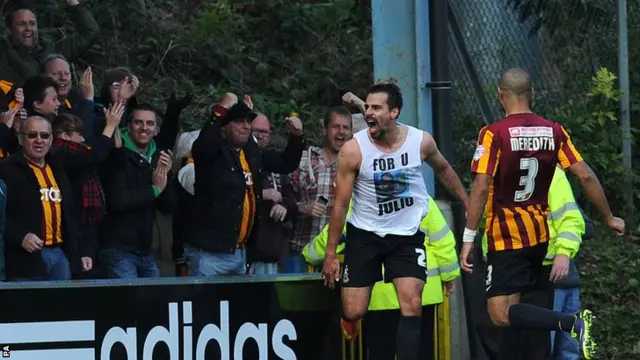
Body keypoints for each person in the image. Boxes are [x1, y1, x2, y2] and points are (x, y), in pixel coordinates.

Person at [459, 68, 625, 360]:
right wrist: (609, 217)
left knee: (498, 315)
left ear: (500, 94)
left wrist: (469, 237)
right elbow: (585, 175)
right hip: (538, 238)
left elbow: (482, 185)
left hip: (506, 239)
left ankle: (572, 323)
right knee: (517, 324)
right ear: (532, 93)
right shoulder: (554, 131)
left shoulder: (492, 134)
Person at [322, 83, 469, 360]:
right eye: (367, 106)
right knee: (355, 309)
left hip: (406, 235)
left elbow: (445, 171)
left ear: (394, 112)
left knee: (412, 303)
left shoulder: (420, 141)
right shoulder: (354, 150)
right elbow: (340, 204)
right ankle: (349, 318)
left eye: (376, 108)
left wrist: (467, 202)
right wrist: (331, 253)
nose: (369, 112)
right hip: (365, 234)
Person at [305, 196, 460, 359]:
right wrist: (449, 276)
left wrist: (308, 255)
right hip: (421, 292)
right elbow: (442, 239)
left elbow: (333, 236)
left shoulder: (362, 200)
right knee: (420, 351)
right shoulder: (419, 196)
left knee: (382, 352)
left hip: (380, 297)